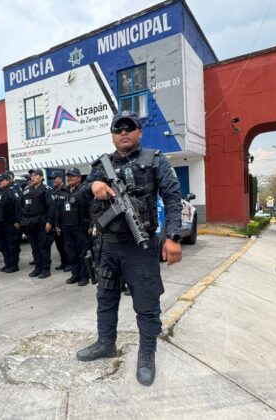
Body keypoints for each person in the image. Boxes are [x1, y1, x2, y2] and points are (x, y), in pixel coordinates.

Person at [75, 111, 183, 387]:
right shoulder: (102, 164)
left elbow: (172, 198)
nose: (124, 132)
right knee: (106, 297)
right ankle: (105, 343)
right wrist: (94, 185)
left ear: (139, 132)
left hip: (140, 247)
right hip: (108, 246)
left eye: (130, 127)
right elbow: (80, 193)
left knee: (146, 304)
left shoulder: (155, 159)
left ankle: (147, 353)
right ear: (112, 134)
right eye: (118, 128)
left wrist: (173, 236)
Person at [55, 167, 92, 286]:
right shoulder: (63, 191)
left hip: (81, 228)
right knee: (71, 253)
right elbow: (58, 209)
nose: (69, 178)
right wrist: (57, 224)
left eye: (72, 176)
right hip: (66, 228)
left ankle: (84, 276)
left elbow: (91, 209)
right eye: (68, 176)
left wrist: (92, 225)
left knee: (83, 253)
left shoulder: (84, 191)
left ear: (79, 178)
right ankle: (75, 274)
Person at [20, 168, 55, 278]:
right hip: (30, 224)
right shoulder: (27, 190)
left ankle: (45, 269)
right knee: (34, 247)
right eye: (32, 175)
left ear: (41, 177)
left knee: (43, 246)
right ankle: (38, 267)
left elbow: (51, 207)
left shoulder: (46, 190)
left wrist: (49, 222)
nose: (33, 177)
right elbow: (21, 206)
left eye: (35, 175)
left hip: (42, 223)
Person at [0, 172, 22, 273]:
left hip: (10, 223)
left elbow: (19, 207)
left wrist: (18, 221)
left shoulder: (12, 191)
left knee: (12, 245)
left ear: (8, 181)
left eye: (1, 181)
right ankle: (7, 263)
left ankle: (13, 265)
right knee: (3, 245)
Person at [50, 170, 69, 271]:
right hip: (55, 223)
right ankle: (63, 262)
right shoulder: (52, 191)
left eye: (55, 178)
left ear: (61, 178)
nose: (53, 180)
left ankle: (70, 263)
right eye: (52, 179)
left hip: (65, 222)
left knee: (67, 245)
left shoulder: (67, 190)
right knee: (59, 245)